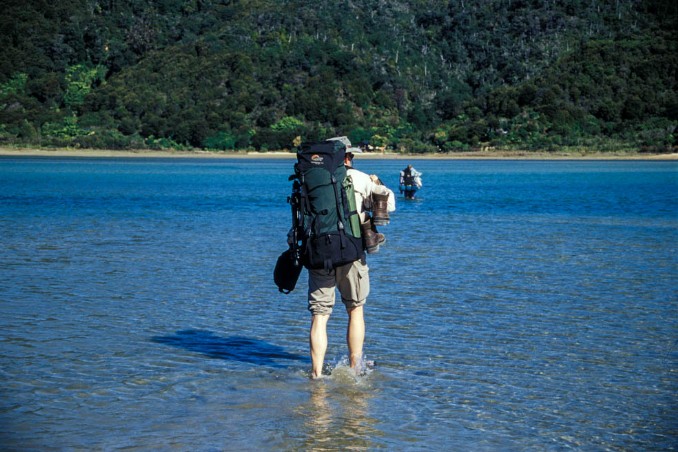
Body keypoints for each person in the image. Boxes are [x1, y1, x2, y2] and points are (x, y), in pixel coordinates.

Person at [307, 136, 396, 379]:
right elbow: (389, 206)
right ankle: (356, 367)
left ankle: (316, 374)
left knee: (320, 315)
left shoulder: (309, 178)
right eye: (352, 156)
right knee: (355, 309)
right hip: (350, 252)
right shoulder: (358, 178)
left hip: (317, 252)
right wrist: (378, 183)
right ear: (346, 157)